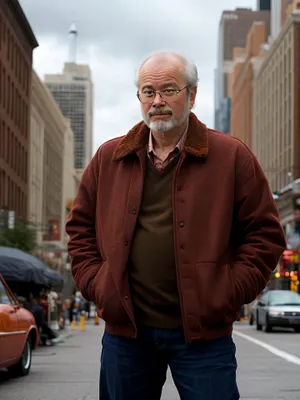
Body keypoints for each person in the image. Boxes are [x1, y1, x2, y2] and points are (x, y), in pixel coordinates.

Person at [66, 51, 286, 400]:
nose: (157, 101)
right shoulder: (109, 158)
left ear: (192, 94)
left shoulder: (231, 156)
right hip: (127, 335)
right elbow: (79, 231)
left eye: (169, 90)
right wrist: (98, 284)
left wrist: (228, 291)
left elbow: (265, 235)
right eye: (147, 91)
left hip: (203, 336)